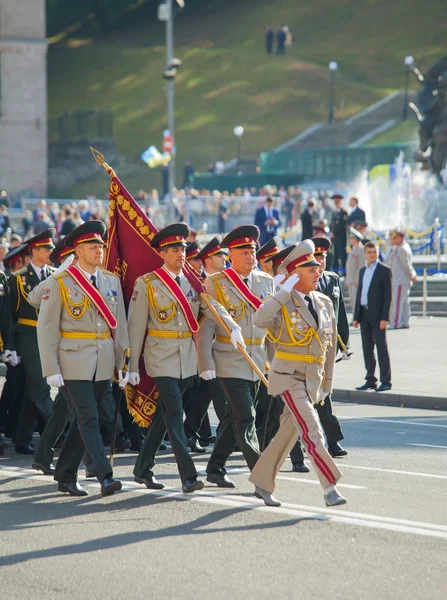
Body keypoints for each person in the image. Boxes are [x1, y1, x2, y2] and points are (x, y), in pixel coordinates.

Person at [127, 223, 243, 494]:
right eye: (174, 250)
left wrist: (231, 325)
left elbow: (211, 306)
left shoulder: (192, 282)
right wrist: (131, 365)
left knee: (164, 416)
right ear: (162, 253)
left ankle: (142, 469)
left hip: (186, 359)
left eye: (182, 248)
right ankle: (188, 476)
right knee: (175, 413)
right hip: (160, 357)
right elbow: (135, 326)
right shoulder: (148, 284)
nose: (180, 253)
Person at [248, 240, 346, 507]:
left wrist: (327, 382)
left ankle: (262, 481)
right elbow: (259, 319)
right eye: (310, 269)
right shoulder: (281, 301)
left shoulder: (324, 302)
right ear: (294, 274)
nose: (318, 273)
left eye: (317, 268)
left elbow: (329, 343)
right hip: (288, 376)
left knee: (288, 433)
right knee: (312, 429)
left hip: (312, 378)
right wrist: (282, 291)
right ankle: (329, 487)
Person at [37, 221, 130, 496]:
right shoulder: (60, 283)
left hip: (102, 364)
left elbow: (120, 325)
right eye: (93, 246)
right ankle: (105, 476)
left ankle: (65, 475)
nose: (99, 250)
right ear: (77, 250)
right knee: (89, 418)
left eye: (101, 245)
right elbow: (47, 327)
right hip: (72, 363)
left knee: (82, 421)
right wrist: (51, 368)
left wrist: (124, 363)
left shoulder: (111, 281)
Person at [197, 225, 275, 488]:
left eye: (252, 251)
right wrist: (206, 361)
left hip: (258, 357)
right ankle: (261, 475)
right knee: (246, 415)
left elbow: (274, 325)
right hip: (229, 358)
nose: (251, 256)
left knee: (233, 417)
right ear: (231, 254)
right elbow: (208, 316)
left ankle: (215, 466)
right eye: (244, 252)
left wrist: (276, 362)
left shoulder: (266, 281)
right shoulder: (217, 282)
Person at [289, 237, 350, 472]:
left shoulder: (332, 280)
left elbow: (339, 313)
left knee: (324, 395)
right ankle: (325, 444)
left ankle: (330, 441)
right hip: (305, 350)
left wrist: (344, 343)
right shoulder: (299, 284)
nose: (321, 263)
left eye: (323, 258)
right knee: (313, 400)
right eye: (317, 258)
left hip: (326, 347)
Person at [9, 229, 57, 454]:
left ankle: (22, 437)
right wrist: (9, 347)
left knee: (32, 391)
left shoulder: (55, 275)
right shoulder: (17, 278)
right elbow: (8, 316)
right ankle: (62, 435)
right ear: (34, 251)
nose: (51, 251)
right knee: (41, 388)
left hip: (49, 336)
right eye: (47, 248)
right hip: (28, 336)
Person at [354, 241, 392, 392]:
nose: (372, 255)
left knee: (381, 347)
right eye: (369, 252)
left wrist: (385, 318)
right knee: (367, 348)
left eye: (374, 252)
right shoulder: (363, 271)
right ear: (365, 254)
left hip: (378, 316)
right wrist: (356, 316)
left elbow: (388, 296)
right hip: (364, 313)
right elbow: (360, 293)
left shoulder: (384, 270)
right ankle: (370, 379)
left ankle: (386, 380)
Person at [384, 227, 417, 329]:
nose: (391, 239)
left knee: (397, 302)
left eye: (394, 237)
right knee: (404, 302)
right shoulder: (397, 248)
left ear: (400, 237)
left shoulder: (402, 249)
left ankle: (396, 323)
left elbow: (406, 265)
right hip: (398, 279)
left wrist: (412, 275)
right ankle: (405, 321)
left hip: (400, 279)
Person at [345, 228, 365, 315]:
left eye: (351, 238)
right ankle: (355, 315)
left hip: (355, 280)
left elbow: (361, 265)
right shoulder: (353, 249)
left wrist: (358, 278)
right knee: (352, 299)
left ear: (356, 239)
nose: (350, 240)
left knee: (357, 299)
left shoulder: (361, 249)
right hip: (351, 279)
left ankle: (358, 316)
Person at [330, 194, 348, 272]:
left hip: (341, 238)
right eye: (335, 202)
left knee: (342, 255)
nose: (336, 204)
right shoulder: (334, 213)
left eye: (337, 202)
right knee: (335, 256)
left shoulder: (344, 212)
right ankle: (335, 272)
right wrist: (331, 232)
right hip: (334, 239)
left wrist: (334, 233)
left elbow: (342, 225)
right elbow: (332, 224)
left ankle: (345, 273)